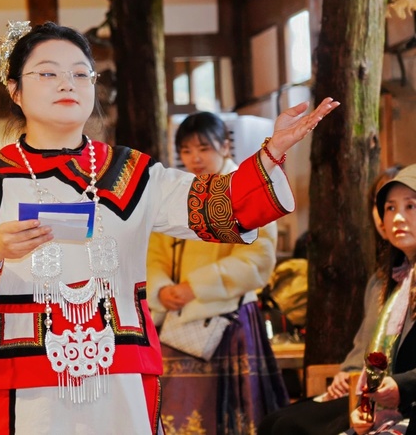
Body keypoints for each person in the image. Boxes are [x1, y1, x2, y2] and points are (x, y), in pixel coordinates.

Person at [0, 20, 338, 434]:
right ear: (15, 90)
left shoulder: (133, 171)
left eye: (80, 74)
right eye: (47, 73)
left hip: (119, 367)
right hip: (22, 376)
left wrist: (271, 153)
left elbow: (218, 207)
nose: (67, 84)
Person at [146, 111, 287, 434]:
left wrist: (194, 287)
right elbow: (154, 254)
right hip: (177, 321)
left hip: (229, 321)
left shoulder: (247, 190)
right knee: (176, 417)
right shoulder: (179, 191)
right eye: (186, 150)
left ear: (225, 146)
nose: (194, 158)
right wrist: (161, 288)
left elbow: (257, 261)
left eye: (204, 148)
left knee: (231, 419)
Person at [256, 165, 402, 435]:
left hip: (384, 390)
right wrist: (346, 372)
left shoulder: (404, 278)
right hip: (357, 383)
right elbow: (364, 342)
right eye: (385, 205)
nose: (392, 216)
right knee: (272, 421)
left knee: (285, 427)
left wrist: (357, 377)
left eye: (407, 206)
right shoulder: (380, 278)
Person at [343, 164, 416, 435]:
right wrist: (365, 405)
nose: (398, 218)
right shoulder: (397, 280)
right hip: (394, 413)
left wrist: (402, 386)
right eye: (390, 208)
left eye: (410, 206)